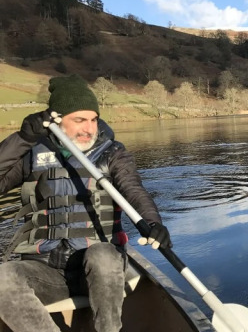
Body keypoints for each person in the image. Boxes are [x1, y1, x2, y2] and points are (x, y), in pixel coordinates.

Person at [0, 74, 172, 332]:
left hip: (103, 269)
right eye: (79, 120)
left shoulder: (113, 153)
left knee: (101, 254)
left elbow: (134, 190)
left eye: (93, 119)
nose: (89, 128)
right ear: (56, 120)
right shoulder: (30, 154)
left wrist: (153, 223)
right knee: (3, 277)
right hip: (45, 269)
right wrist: (22, 139)